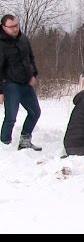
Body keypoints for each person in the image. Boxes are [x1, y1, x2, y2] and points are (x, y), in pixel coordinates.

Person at [0, 14, 42, 150]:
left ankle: (25, 140)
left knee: (35, 112)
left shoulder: (23, 39)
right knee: (11, 116)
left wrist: (33, 74)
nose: (15, 29)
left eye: (17, 25)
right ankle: (4, 144)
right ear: (3, 27)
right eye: (11, 27)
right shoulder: (1, 44)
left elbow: (31, 58)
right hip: (10, 84)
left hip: (26, 83)